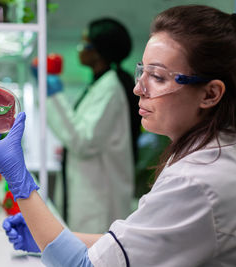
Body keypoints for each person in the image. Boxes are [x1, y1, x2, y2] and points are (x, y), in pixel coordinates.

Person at [0, 5, 236, 266]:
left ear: (211, 93)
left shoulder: (199, 181)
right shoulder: (214, 152)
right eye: (143, 71)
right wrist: (52, 238)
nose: (139, 88)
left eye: (159, 77)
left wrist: (16, 175)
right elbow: (135, 246)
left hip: (99, 193)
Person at [45, 18, 141, 233]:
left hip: (100, 200)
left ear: (98, 50)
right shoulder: (100, 84)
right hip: (91, 193)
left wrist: (54, 97)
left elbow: (84, 142)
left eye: (83, 44)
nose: (79, 49)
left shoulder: (111, 87)